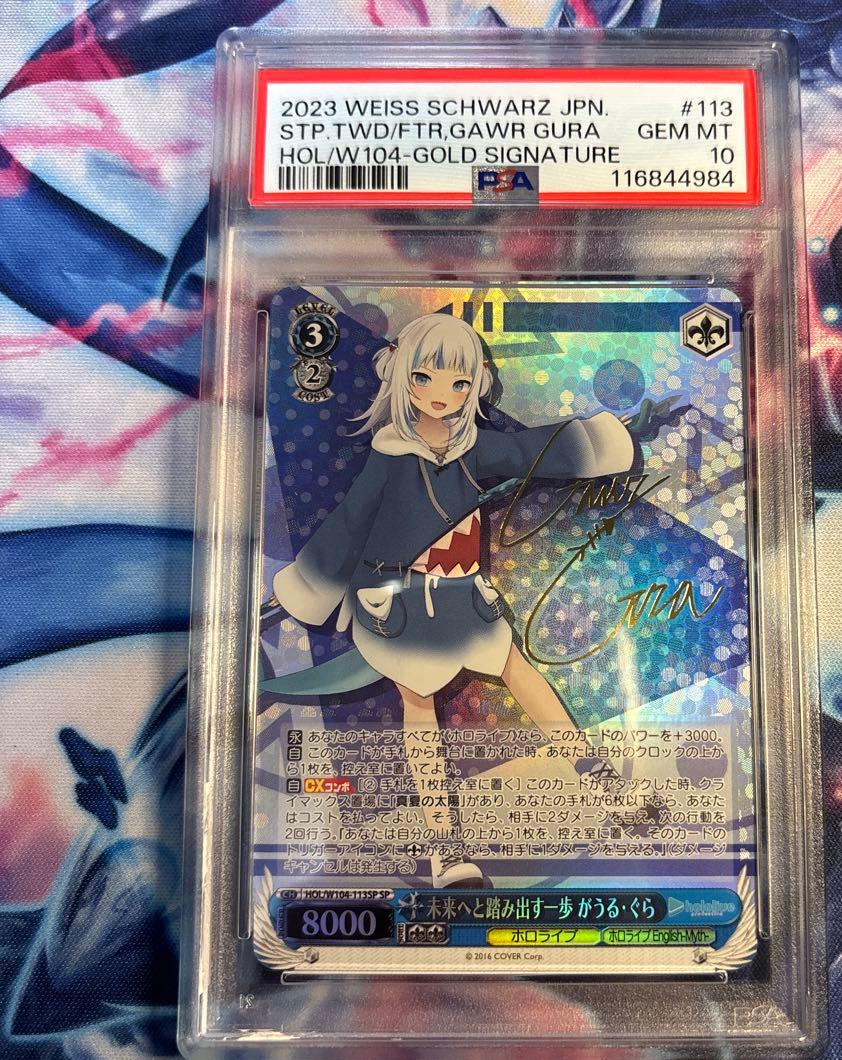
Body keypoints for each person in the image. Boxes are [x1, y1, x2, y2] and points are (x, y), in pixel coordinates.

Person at [270, 313, 658, 887]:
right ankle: (445, 849)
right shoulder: (389, 456)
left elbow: (530, 450)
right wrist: (308, 588)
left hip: (460, 593)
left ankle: (599, 782)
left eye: (459, 383)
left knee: (516, 669)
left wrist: (602, 438)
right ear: (403, 377)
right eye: (424, 378)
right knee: (418, 705)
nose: (442, 395)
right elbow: (349, 524)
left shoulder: (473, 450)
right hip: (396, 600)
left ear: (474, 386)